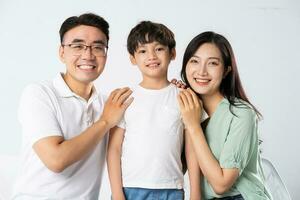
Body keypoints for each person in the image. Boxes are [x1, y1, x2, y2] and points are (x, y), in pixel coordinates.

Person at [12, 13, 133, 199]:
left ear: (106, 54)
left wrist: (178, 90)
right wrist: (105, 122)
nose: (88, 55)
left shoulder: (108, 104)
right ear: (62, 52)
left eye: (98, 47)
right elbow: (56, 160)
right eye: (77, 46)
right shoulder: (39, 94)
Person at [107, 21, 200, 200]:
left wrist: (195, 193)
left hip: (171, 188)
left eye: (159, 49)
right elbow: (114, 150)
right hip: (130, 188)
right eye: (142, 51)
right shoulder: (125, 98)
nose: (151, 56)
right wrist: (117, 193)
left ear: (172, 53)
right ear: (132, 58)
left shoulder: (184, 97)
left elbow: (191, 150)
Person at [177, 31, 272, 199]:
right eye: (194, 61)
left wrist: (193, 125)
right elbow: (173, 167)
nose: (202, 71)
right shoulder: (187, 108)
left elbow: (221, 184)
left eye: (212, 63)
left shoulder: (242, 114)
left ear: (226, 70)